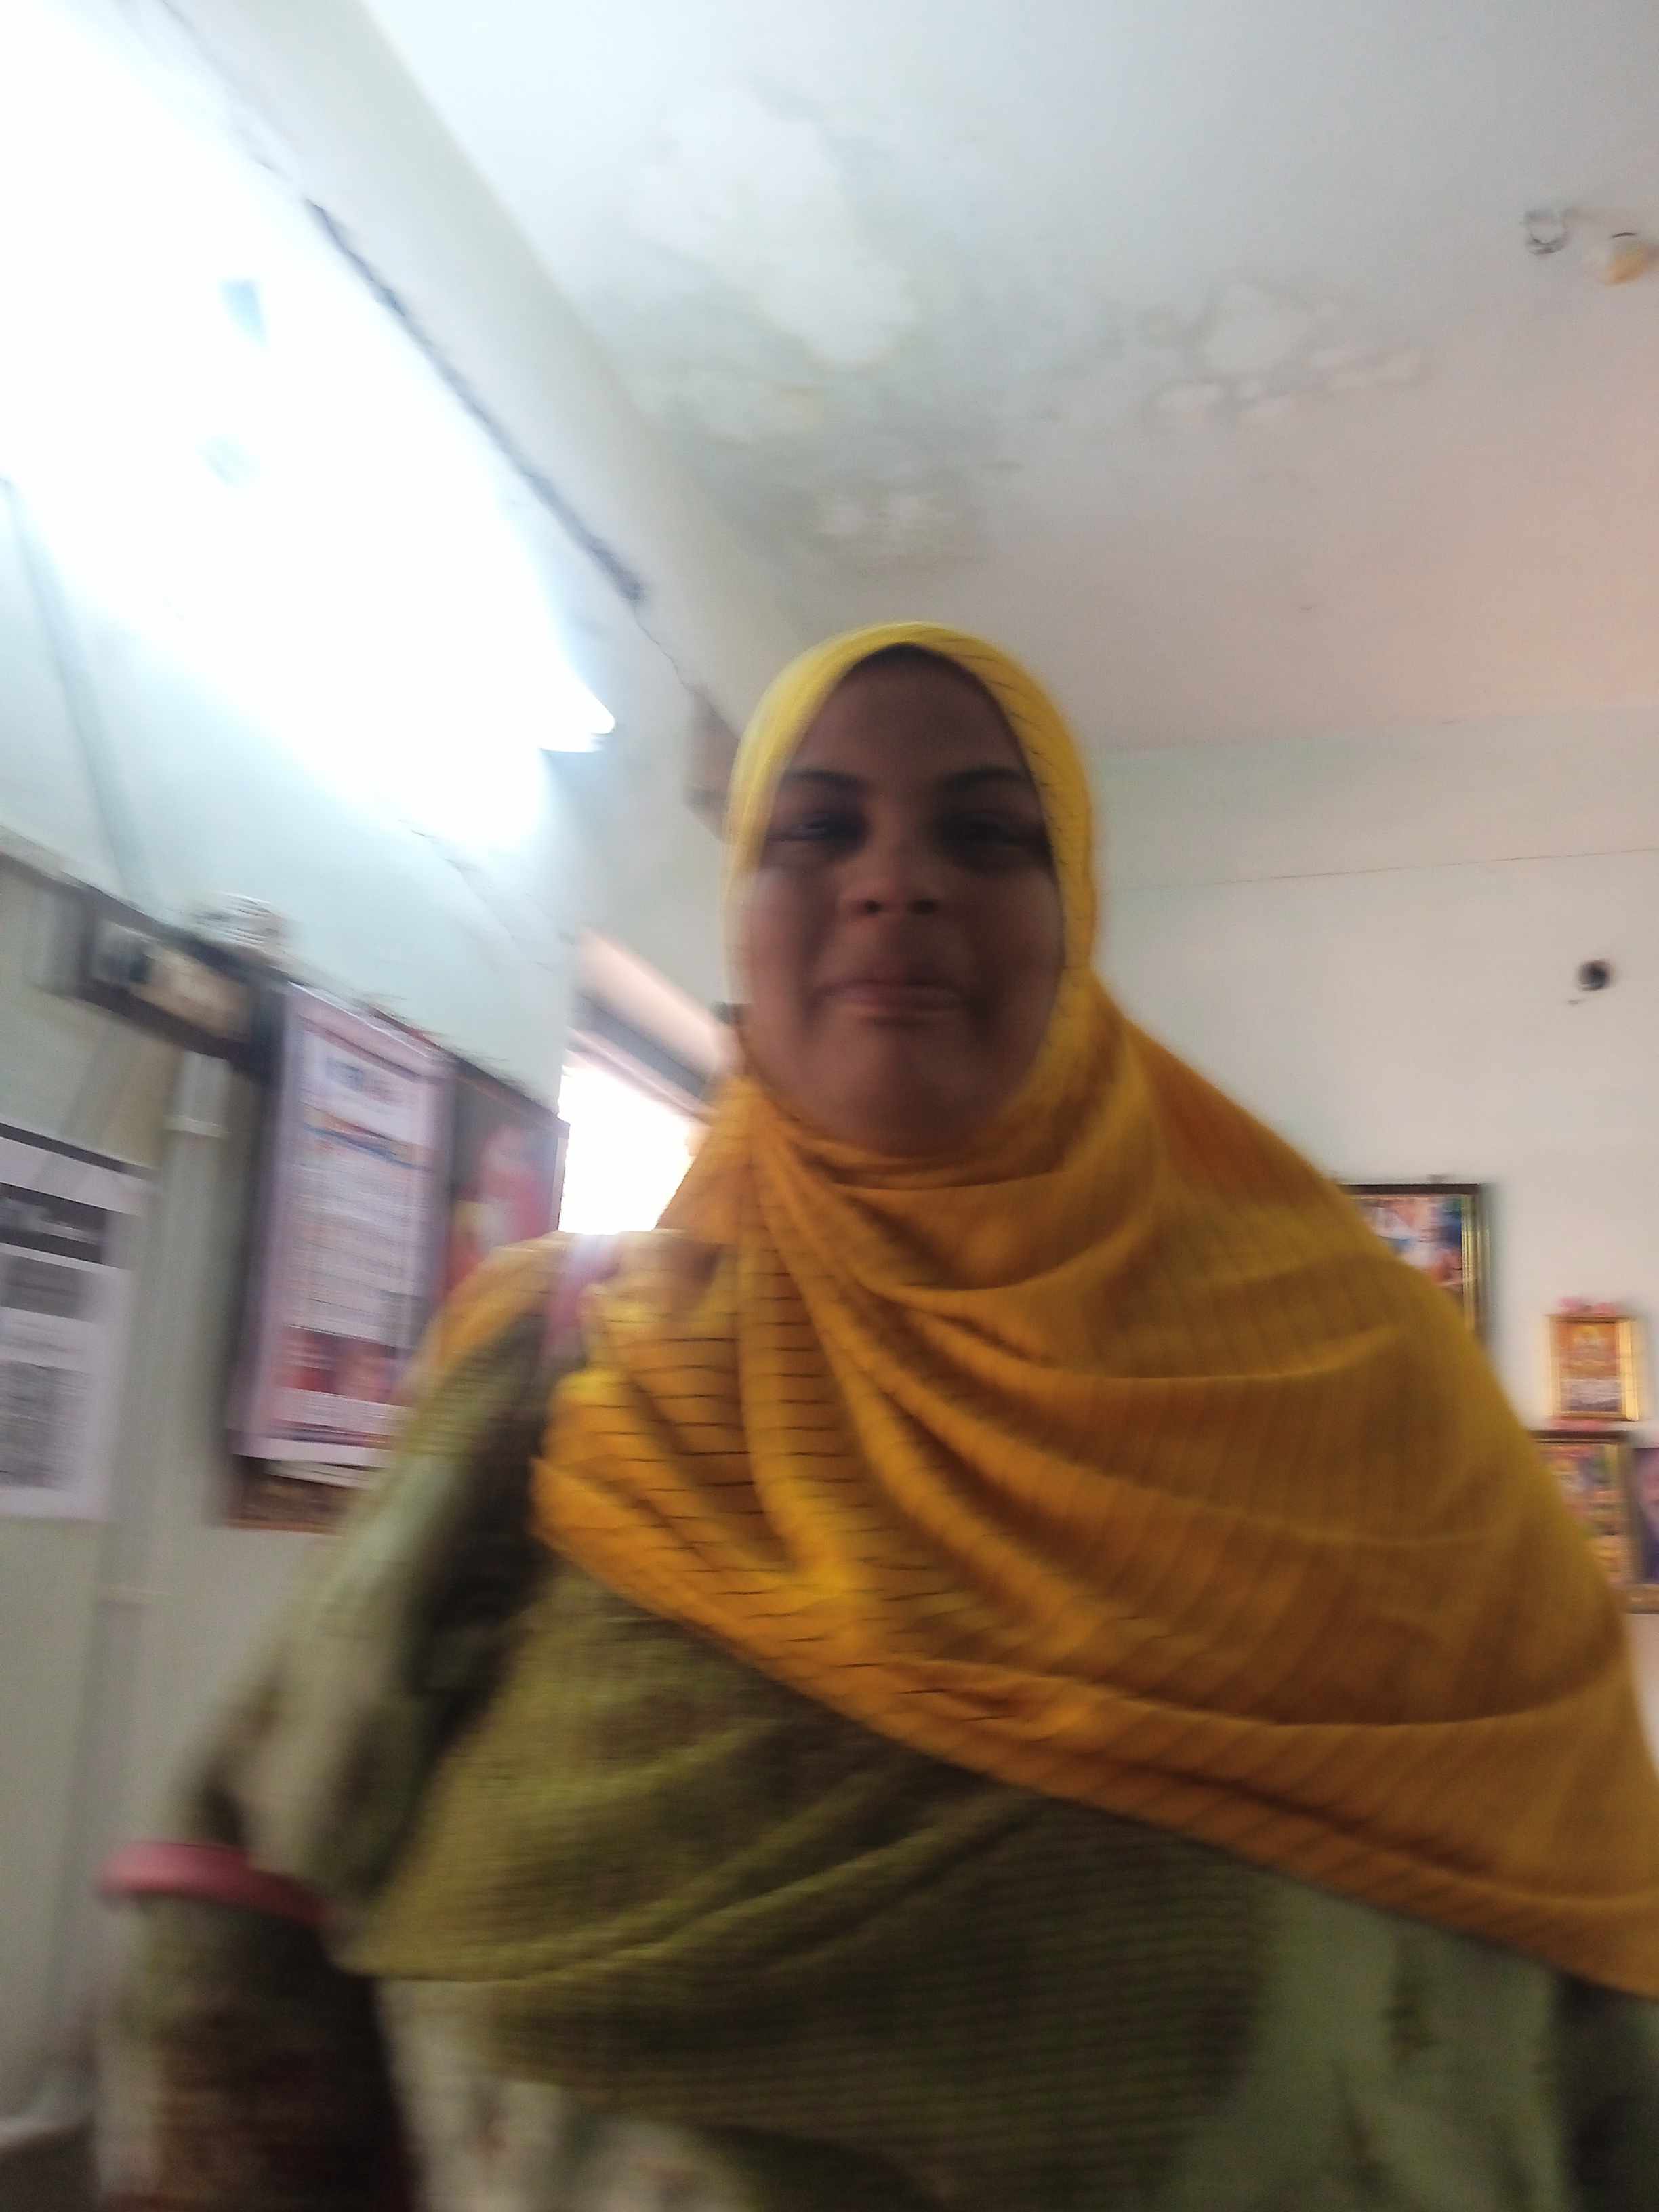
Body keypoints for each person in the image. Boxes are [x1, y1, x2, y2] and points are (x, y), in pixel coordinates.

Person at [102, 623, 1659, 2211]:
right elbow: (248, 1898)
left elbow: (1593, 1969)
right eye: (818, 829)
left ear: (1074, 925)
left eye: (984, 834)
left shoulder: (1376, 1398)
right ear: (743, 919)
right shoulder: (554, 1368)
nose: (895, 882)